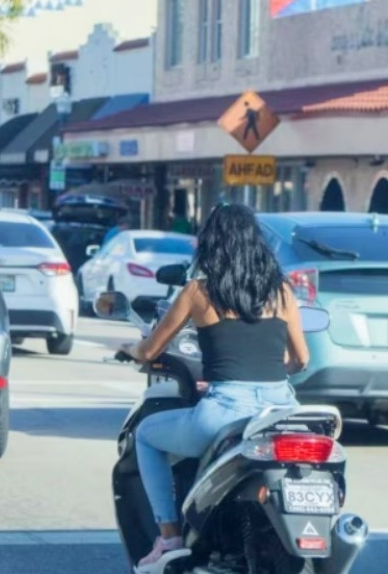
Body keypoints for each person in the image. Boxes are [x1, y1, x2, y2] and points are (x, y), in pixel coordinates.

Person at [121, 203, 309, 572]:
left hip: (224, 412)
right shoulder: (281, 293)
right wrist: (268, 373)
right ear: (257, 244)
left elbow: (152, 349)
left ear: (212, 244)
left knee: (145, 435)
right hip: (280, 410)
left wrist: (129, 350)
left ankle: (170, 535)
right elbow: (300, 360)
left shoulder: (198, 292)